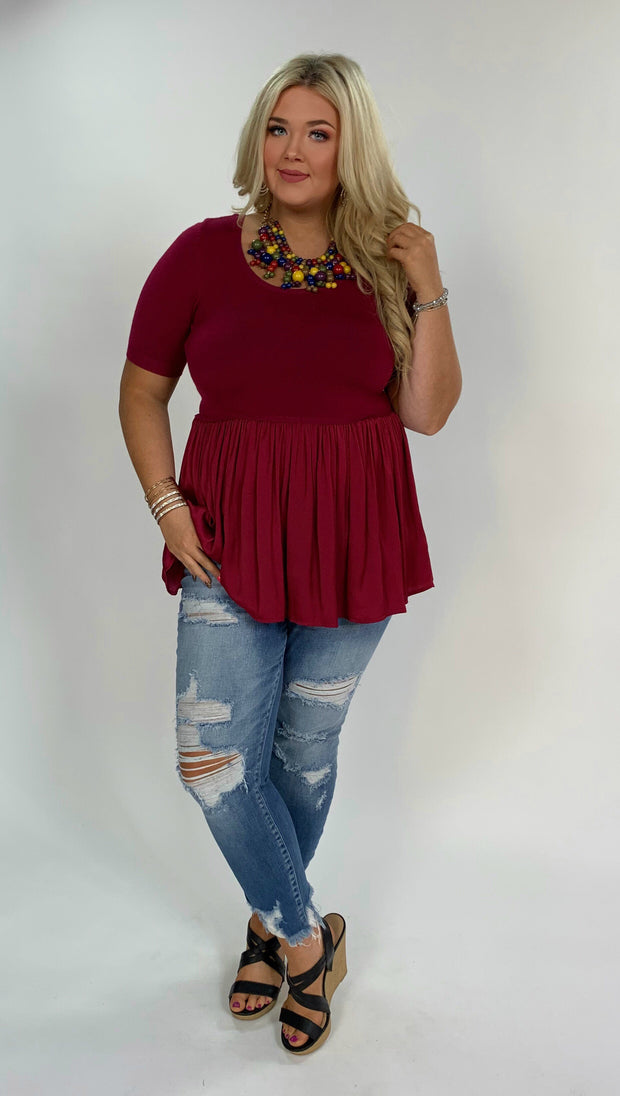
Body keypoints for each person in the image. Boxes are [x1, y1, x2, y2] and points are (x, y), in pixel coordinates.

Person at [118, 51, 461, 1057]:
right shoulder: (199, 254)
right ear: (256, 138)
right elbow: (142, 390)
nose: (293, 150)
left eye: (318, 131)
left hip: (354, 535)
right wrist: (166, 504)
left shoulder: (384, 261)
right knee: (213, 761)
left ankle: (269, 931)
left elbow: (427, 413)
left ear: (352, 147)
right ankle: (312, 942)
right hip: (227, 537)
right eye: (279, 128)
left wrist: (429, 285)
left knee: (302, 755)